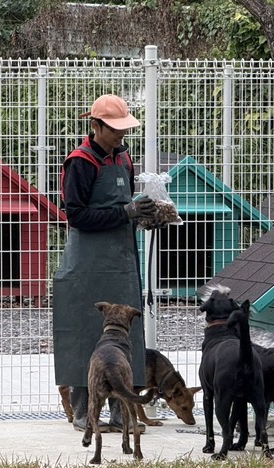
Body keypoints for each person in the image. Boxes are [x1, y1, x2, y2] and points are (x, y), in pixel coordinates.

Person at [52, 94, 157, 433]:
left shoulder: (124, 157)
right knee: (85, 333)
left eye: (123, 129)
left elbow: (125, 205)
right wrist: (125, 212)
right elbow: (77, 216)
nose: (121, 135)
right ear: (96, 126)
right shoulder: (80, 162)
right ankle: (84, 413)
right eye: (114, 129)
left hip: (121, 260)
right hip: (87, 263)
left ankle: (122, 414)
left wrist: (143, 215)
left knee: (126, 335)